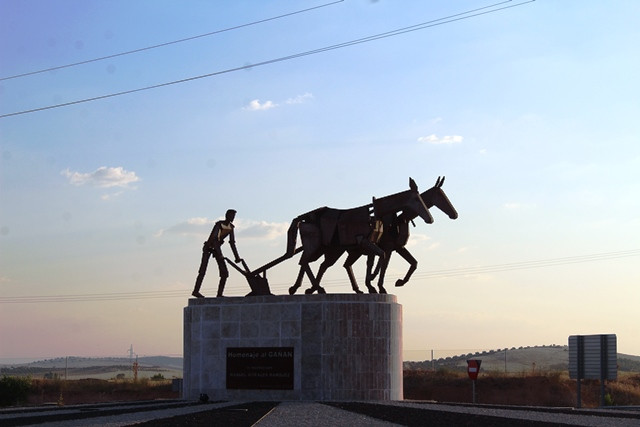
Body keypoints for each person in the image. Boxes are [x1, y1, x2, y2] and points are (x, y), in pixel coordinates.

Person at [192, 209, 242, 298]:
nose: (232, 218)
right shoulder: (219, 224)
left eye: (233, 216)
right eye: (231, 216)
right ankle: (196, 291)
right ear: (227, 216)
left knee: (224, 273)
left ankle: (219, 294)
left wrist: (237, 257)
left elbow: (232, 243)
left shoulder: (231, 227)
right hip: (209, 248)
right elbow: (215, 239)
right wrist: (220, 255)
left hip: (217, 249)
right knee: (203, 271)